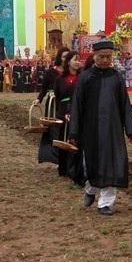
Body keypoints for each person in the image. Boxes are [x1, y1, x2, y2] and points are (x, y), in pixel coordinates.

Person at [68, 40, 132, 215]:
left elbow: (124, 105)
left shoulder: (117, 77)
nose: (106, 60)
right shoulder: (85, 77)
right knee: (91, 163)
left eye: (108, 57)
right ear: (94, 56)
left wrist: (130, 129)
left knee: (113, 163)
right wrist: (74, 130)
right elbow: (76, 105)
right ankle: (90, 190)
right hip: (90, 129)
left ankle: (105, 202)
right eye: (102, 57)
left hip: (113, 129)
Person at [35, 47, 70, 166]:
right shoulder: (51, 72)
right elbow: (43, 89)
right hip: (53, 104)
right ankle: (54, 157)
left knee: (66, 130)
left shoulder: (71, 72)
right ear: (60, 57)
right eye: (64, 56)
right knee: (54, 130)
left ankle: (66, 157)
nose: (66, 59)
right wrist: (38, 100)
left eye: (68, 57)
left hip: (66, 105)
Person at [53, 51, 81, 179]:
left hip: (78, 111)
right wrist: (62, 113)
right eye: (75, 59)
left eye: (79, 60)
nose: (77, 62)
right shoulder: (60, 79)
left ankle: (75, 167)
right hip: (63, 111)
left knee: (76, 139)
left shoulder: (82, 78)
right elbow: (58, 97)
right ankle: (63, 167)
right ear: (68, 62)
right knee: (63, 138)